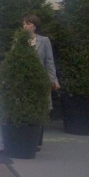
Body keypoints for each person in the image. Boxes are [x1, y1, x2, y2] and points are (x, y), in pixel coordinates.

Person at [23, 14, 60, 149]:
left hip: (39, 80)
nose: (25, 26)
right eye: (24, 24)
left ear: (35, 26)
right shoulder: (19, 40)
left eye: (28, 24)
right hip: (24, 80)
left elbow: (49, 62)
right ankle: (26, 139)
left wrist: (53, 80)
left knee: (40, 109)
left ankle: (37, 141)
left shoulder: (44, 41)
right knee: (26, 108)